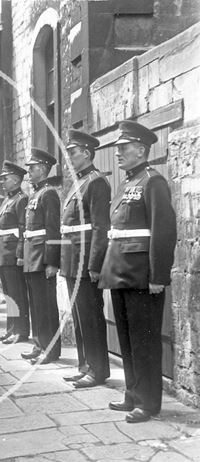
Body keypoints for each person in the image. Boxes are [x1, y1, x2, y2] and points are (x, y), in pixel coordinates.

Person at [100, 120, 176, 423]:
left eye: (123, 148)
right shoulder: (126, 183)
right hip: (119, 271)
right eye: (117, 148)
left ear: (141, 150)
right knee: (128, 339)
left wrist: (159, 276)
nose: (118, 153)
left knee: (144, 340)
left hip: (143, 275)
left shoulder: (153, 181)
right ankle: (132, 393)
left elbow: (163, 232)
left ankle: (149, 402)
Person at [60, 130, 111, 388]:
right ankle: (85, 365)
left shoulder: (96, 182)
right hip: (72, 258)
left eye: (72, 152)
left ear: (87, 154)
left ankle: (98, 370)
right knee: (80, 316)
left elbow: (100, 228)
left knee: (90, 316)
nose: (68, 157)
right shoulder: (78, 182)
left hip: (85, 260)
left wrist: (94, 264)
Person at [21, 148, 61, 364]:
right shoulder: (35, 194)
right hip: (31, 257)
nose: (28, 172)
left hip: (43, 258)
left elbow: (54, 230)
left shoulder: (49, 193)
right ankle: (39, 344)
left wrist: (52, 262)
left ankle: (51, 349)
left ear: (43, 169)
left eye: (32, 167)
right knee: (36, 306)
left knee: (46, 306)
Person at [0, 161, 30, 345]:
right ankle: (11, 329)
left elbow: (23, 228)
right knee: (8, 294)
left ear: (16, 180)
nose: (2, 182)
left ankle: (21, 331)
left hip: (13, 252)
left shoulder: (22, 199)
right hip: (3, 252)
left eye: (5, 178)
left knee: (17, 294)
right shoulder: (8, 199)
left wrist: (21, 253)